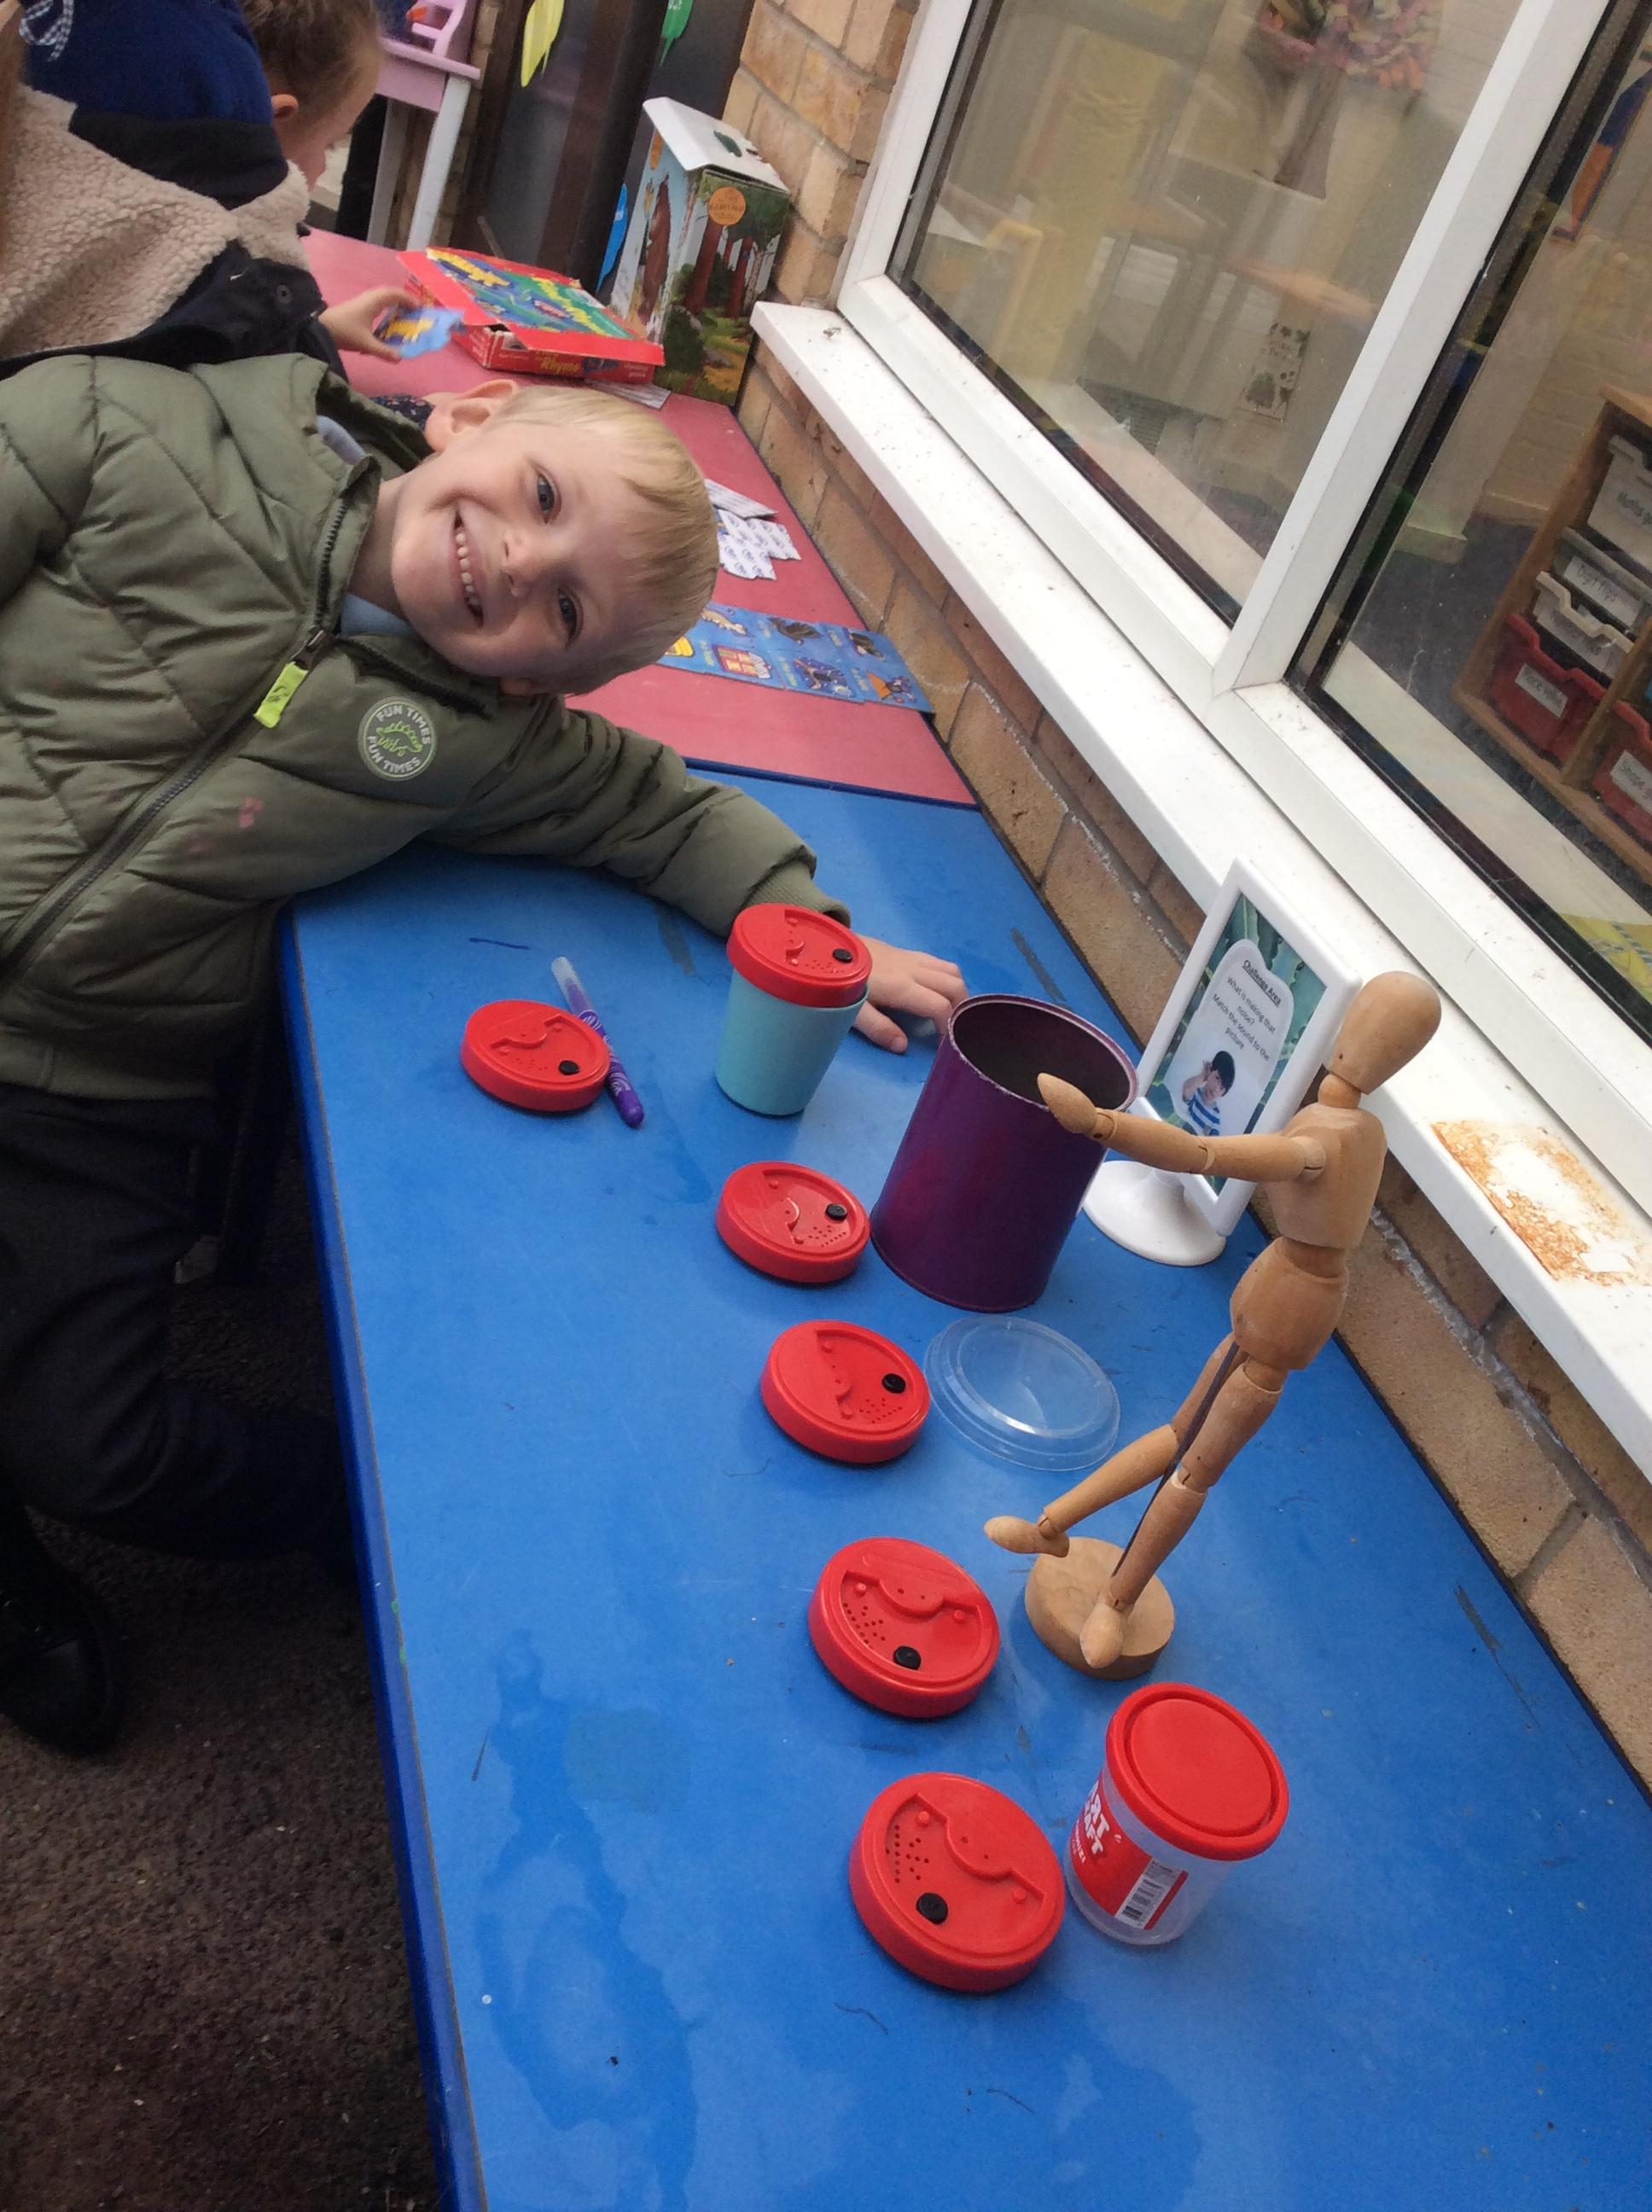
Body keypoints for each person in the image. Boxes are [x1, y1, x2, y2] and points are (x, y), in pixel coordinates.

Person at [0, 356, 967, 1755]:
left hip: (99, 1080)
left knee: (98, 1450)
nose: (519, 560)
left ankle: (349, 1496)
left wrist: (816, 937)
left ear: (546, 679)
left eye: (565, 609)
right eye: (541, 495)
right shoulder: (132, 428)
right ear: (466, 419)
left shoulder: (476, 738)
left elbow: (654, 809)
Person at [1, 0, 411, 370]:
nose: (323, 165)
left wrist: (316, 327)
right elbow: (267, 386)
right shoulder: (228, 251)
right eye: (330, 144)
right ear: (276, 118)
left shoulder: (65, 184)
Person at [1180, 1050, 1234, 1138]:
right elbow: (1186, 1091)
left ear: (1224, 1093)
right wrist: (1203, 1076)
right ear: (1210, 1071)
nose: (1216, 1089)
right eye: (1217, 1078)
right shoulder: (1196, 1094)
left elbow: (1213, 1141)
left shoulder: (1215, 1114)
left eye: (1221, 1088)